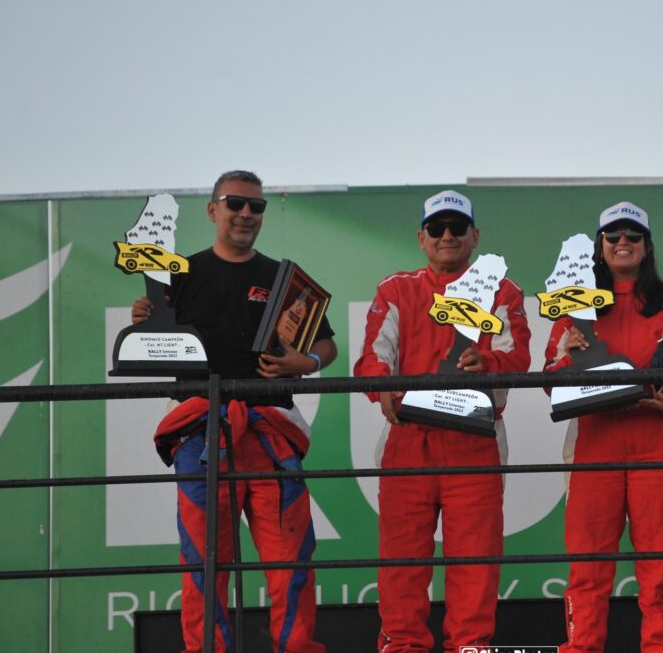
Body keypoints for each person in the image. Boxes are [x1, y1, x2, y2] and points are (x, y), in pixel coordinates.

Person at [131, 170, 336, 653]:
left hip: (269, 433)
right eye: (235, 204)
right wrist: (143, 320)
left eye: (256, 206)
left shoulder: (283, 277)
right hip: (200, 434)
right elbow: (154, 342)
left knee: (291, 559)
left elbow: (326, 345)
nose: (246, 214)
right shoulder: (177, 274)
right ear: (213, 210)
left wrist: (304, 363)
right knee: (203, 563)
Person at [353, 190, 531, 652]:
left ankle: (471, 648)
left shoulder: (503, 290)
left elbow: (517, 356)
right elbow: (373, 356)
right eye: (437, 228)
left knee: (475, 563)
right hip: (409, 438)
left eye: (457, 227)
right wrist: (382, 386)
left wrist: (487, 362)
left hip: (475, 438)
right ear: (421, 238)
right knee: (402, 563)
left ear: (475, 236)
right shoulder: (396, 289)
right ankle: (401, 647)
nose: (447, 236)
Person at [544, 202, 663, 653]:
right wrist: (567, 355)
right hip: (594, 442)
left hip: (657, 439)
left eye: (632, 235)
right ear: (600, 246)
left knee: (661, 566)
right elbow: (549, 382)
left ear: (647, 245)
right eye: (613, 236)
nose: (622, 242)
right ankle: (582, 648)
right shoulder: (573, 304)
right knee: (588, 566)